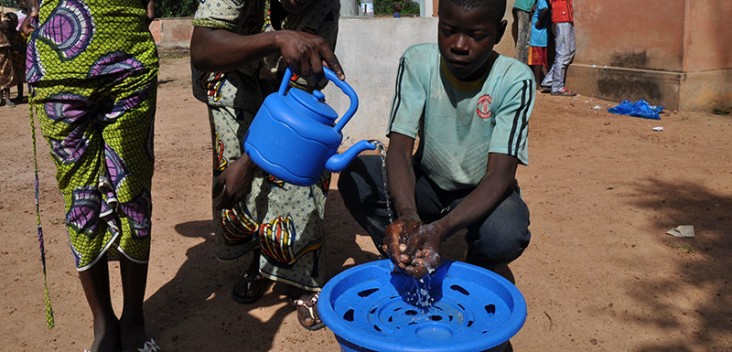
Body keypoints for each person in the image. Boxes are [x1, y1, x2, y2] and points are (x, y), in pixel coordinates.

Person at [338, 0, 533, 291]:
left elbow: (499, 175)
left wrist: (440, 229)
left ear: (499, 32)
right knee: (357, 176)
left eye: (476, 36)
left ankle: (476, 267)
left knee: (505, 232)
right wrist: (407, 214)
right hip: (428, 182)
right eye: (448, 31)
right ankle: (404, 251)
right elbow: (401, 149)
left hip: (480, 189)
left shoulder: (514, 79)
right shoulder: (418, 62)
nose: (459, 45)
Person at [189, 0, 342, 331]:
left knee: (297, 154)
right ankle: (260, 261)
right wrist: (277, 39)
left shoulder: (324, 6)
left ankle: (304, 278)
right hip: (230, 70)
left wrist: (250, 160)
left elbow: (301, 98)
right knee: (235, 167)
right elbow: (201, 48)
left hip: (287, 84)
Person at [25, 0, 161, 351]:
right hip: (58, 65)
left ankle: (133, 319)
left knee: (133, 191)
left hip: (129, 58)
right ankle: (102, 322)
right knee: (80, 200)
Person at [540, 0, 576, 96]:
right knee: (563, 53)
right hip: (561, 18)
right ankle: (557, 87)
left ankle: (549, 81)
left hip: (566, 18)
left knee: (570, 51)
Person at [3, 12, 26, 103]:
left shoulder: (18, 34)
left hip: (18, 59)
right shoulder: (5, 34)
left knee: (19, 79)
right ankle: (6, 98)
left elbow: (23, 45)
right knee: (7, 78)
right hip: (8, 60)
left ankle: (20, 96)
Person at [527, 0, 550, 87]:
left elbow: (545, 9)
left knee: (537, 62)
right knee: (543, 62)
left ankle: (537, 83)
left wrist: (539, 21)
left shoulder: (542, 1)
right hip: (543, 36)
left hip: (537, 36)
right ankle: (547, 80)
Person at [0, 12, 17, 107]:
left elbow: (6, 26)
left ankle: (7, 98)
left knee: (6, 73)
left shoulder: (5, 19)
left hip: (4, 50)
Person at [511, 0, 535, 64]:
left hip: (523, 7)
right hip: (524, 8)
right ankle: (519, 63)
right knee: (523, 39)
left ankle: (523, 63)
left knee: (526, 39)